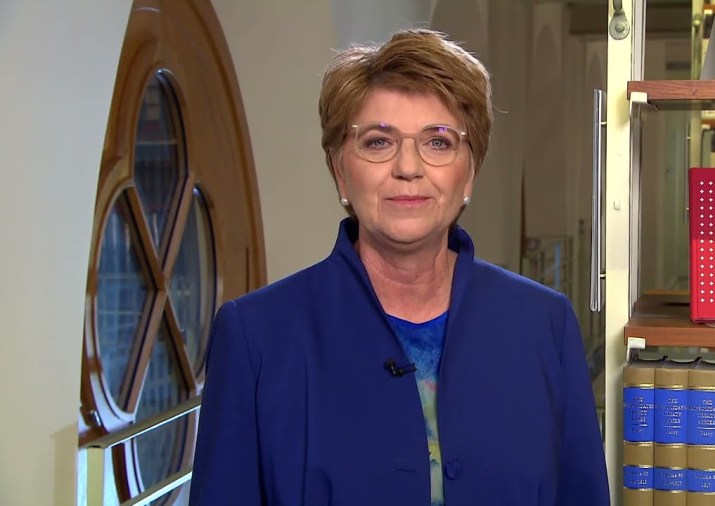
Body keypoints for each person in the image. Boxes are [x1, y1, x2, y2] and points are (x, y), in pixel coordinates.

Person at [189, 28, 610, 506]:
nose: (408, 168)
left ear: (469, 172)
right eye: (377, 142)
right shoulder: (255, 336)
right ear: (339, 170)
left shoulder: (545, 325)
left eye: (438, 142)